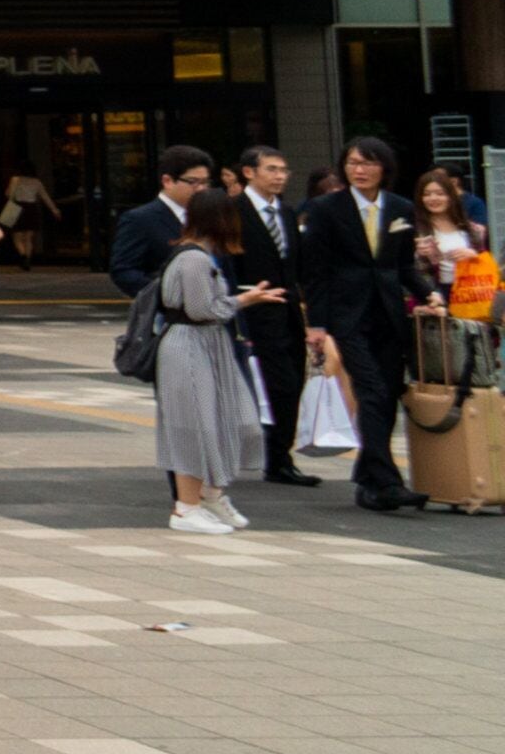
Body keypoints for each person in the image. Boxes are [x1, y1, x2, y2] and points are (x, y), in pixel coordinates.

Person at [300, 136, 435, 515]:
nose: (358, 170)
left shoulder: (401, 207)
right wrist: (317, 324)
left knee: (388, 393)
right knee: (372, 391)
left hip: (389, 314)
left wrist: (428, 295)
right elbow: (315, 271)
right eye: (352, 163)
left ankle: (368, 481)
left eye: (367, 163)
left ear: (383, 168)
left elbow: (404, 265)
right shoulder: (326, 209)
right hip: (347, 315)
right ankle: (389, 483)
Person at [153, 189, 279, 535]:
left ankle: (208, 494)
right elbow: (202, 310)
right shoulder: (194, 260)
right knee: (193, 424)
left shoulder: (197, 256)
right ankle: (187, 507)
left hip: (203, 345)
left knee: (227, 419)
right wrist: (243, 301)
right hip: (191, 345)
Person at [226, 146, 319, 488]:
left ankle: (280, 454)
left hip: (288, 310)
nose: (280, 176)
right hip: (251, 310)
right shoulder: (232, 211)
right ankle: (273, 455)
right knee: (273, 384)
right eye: (272, 169)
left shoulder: (286, 212)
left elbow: (297, 266)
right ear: (249, 172)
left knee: (293, 381)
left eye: (284, 170)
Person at [406, 166, 495, 397]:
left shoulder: (472, 229)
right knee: (442, 363)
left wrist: (473, 256)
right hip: (434, 297)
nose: (433, 199)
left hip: (471, 295)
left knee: (476, 360)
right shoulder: (415, 230)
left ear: (452, 194)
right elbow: (407, 272)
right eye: (427, 194)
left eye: (439, 193)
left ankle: (476, 413)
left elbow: (488, 264)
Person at [110, 145, 213, 299]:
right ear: (168, 181)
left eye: (205, 182)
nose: (201, 189)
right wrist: (166, 295)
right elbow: (123, 271)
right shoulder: (140, 219)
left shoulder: (210, 215)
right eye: (193, 182)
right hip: (170, 315)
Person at [0, 168, 57, 271]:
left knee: (17, 236)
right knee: (28, 238)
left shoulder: (15, 179)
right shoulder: (36, 182)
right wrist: (54, 209)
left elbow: (9, 194)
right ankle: (28, 259)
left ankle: (22, 255)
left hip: (17, 207)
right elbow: (45, 197)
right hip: (31, 208)